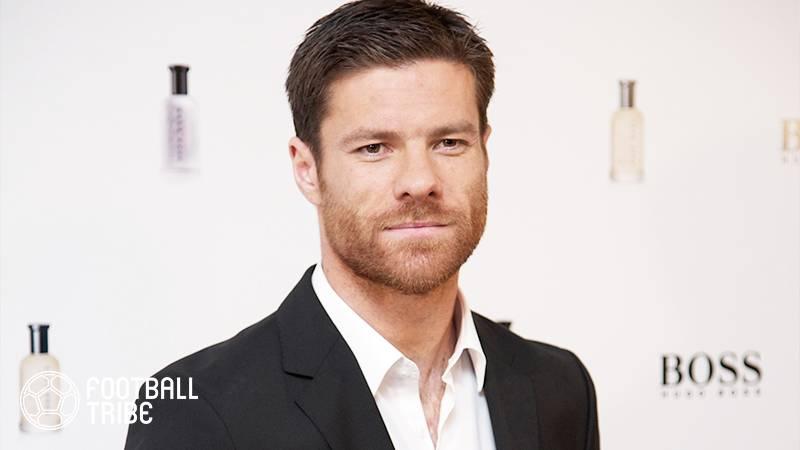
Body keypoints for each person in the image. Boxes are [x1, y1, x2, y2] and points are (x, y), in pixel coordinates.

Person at [124, 0, 600, 448]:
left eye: (449, 143)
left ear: (485, 153)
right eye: (374, 148)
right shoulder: (198, 412)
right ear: (307, 170)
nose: (420, 181)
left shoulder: (559, 387)